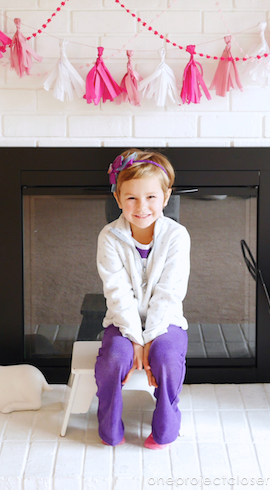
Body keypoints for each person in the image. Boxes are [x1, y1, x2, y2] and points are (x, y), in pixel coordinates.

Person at [95, 149, 190, 449]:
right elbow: (117, 292)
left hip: (167, 322)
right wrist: (135, 339)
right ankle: (109, 425)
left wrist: (150, 339)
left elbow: (169, 293)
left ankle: (165, 427)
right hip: (123, 323)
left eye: (151, 197)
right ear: (118, 198)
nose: (142, 207)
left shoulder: (177, 236)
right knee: (114, 358)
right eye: (131, 198)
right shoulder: (109, 237)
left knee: (166, 359)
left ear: (165, 197)